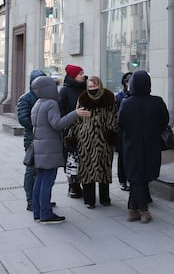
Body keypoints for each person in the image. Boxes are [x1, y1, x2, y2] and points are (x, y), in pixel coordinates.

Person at [31, 75, 91, 224]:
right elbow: (58, 124)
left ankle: (38, 212)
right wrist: (75, 113)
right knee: (47, 181)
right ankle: (46, 214)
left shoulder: (38, 103)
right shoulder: (50, 104)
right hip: (49, 149)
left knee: (39, 179)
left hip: (40, 148)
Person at [118, 70, 169, 224]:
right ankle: (142, 210)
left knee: (136, 177)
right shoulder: (157, 102)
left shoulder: (126, 103)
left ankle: (134, 209)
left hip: (131, 145)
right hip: (152, 144)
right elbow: (164, 121)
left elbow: (121, 124)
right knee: (142, 177)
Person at [64, 76, 117, 209]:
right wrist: (72, 136)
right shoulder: (83, 98)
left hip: (104, 140)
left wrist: (111, 133)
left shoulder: (109, 98)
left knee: (104, 170)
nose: (93, 89)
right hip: (85, 140)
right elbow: (77, 119)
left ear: (100, 85)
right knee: (87, 170)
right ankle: (89, 200)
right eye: (90, 87)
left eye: (95, 87)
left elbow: (113, 117)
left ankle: (105, 198)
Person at [17, 69, 46, 211]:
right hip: (32, 140)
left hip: (46, 139)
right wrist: (40, 125)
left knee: (43, 171)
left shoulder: (48, 96)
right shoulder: (26, 98)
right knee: (32, 170)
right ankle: (30, 200)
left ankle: (41, 199)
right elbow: (23, 119)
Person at [58, 64, 87, 198]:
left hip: (86, 130)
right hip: (71, 131)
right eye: (80, 74)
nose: (82, 76)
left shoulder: (85, 88)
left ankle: (82, 183)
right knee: (72, 159)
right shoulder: (64, 91)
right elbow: (60, 112)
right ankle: (73, 186)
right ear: (73, 76)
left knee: (84, 158)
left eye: (82, 73)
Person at [115, 72, 132, 191]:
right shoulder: (120, 97)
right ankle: (122, 180)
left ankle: (131, 179)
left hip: (133, 133)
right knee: (122, 158)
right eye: (128, 81)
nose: (129, 84)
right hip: (122, 132)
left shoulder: (138, 94)